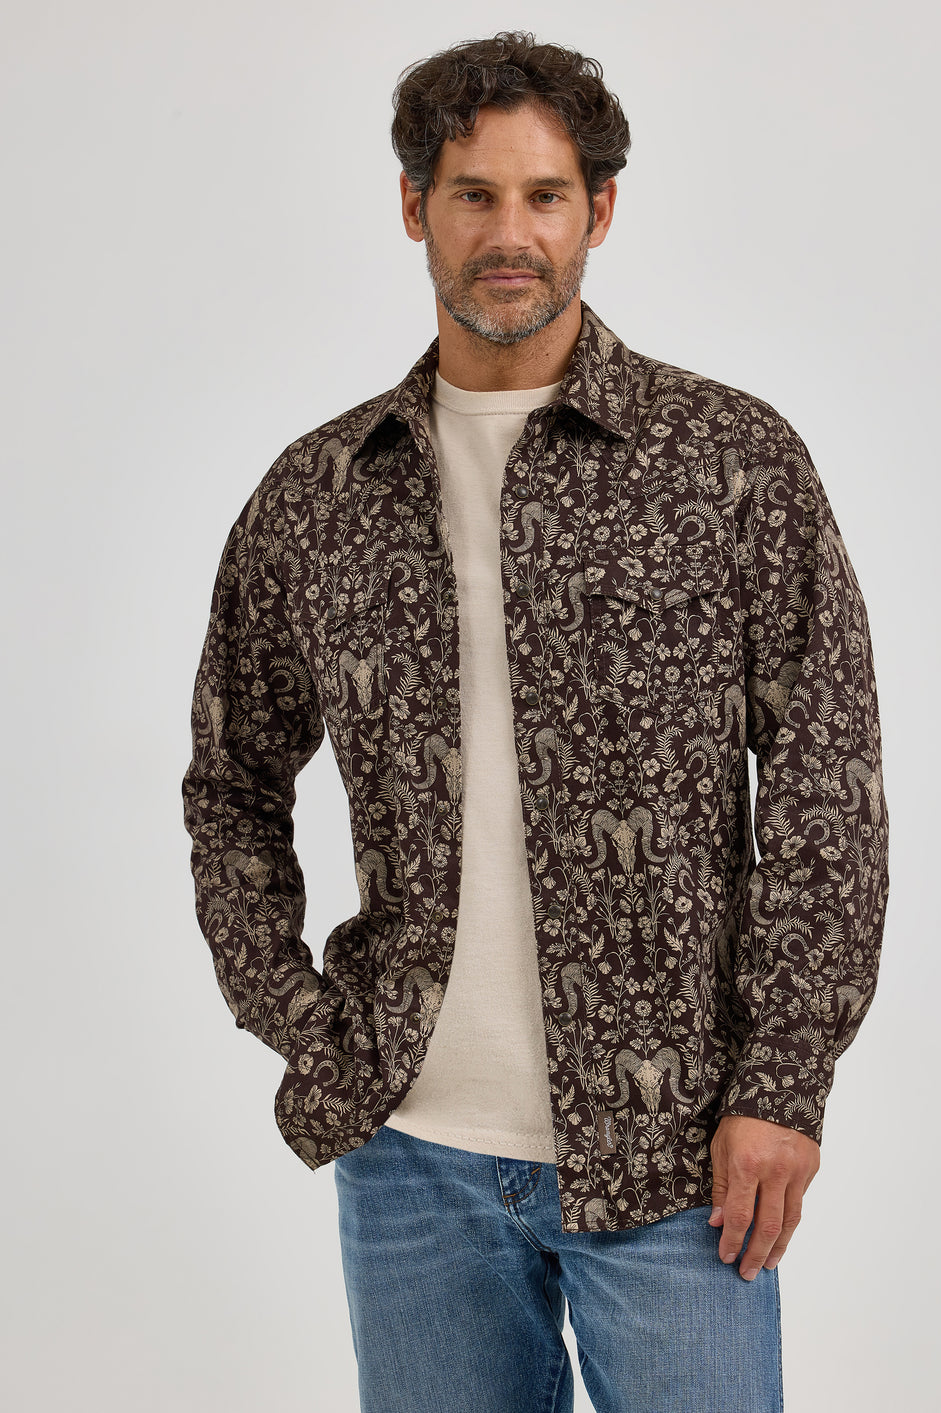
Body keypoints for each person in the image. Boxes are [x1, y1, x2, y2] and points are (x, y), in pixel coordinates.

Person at [181, 30, 889, 1413]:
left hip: (680, 1150)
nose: (511, 234)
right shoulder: (320, 494)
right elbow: (231, 781)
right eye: (473, 194)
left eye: (545, 195)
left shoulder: (728, 463)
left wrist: (784, 1082)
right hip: (411, 1160)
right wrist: (309, 1026)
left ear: (599, 210)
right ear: (414, 207)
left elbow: (827, 784)